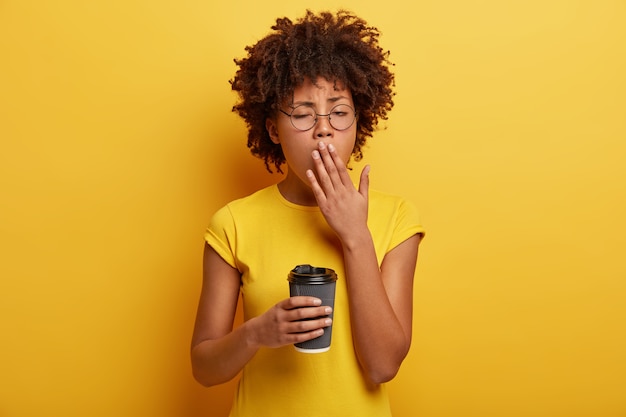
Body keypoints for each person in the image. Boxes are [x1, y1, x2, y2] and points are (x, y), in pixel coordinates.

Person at [191, 9, 425, 417]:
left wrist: (355, 234)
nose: (323, 129)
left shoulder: (397, 218)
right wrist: (257, 333)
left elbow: (383, 365)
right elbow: (204, 369)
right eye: (301, 114)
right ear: (272, 129)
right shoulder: (232, 223)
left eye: (338, 112)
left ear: (358, 119)